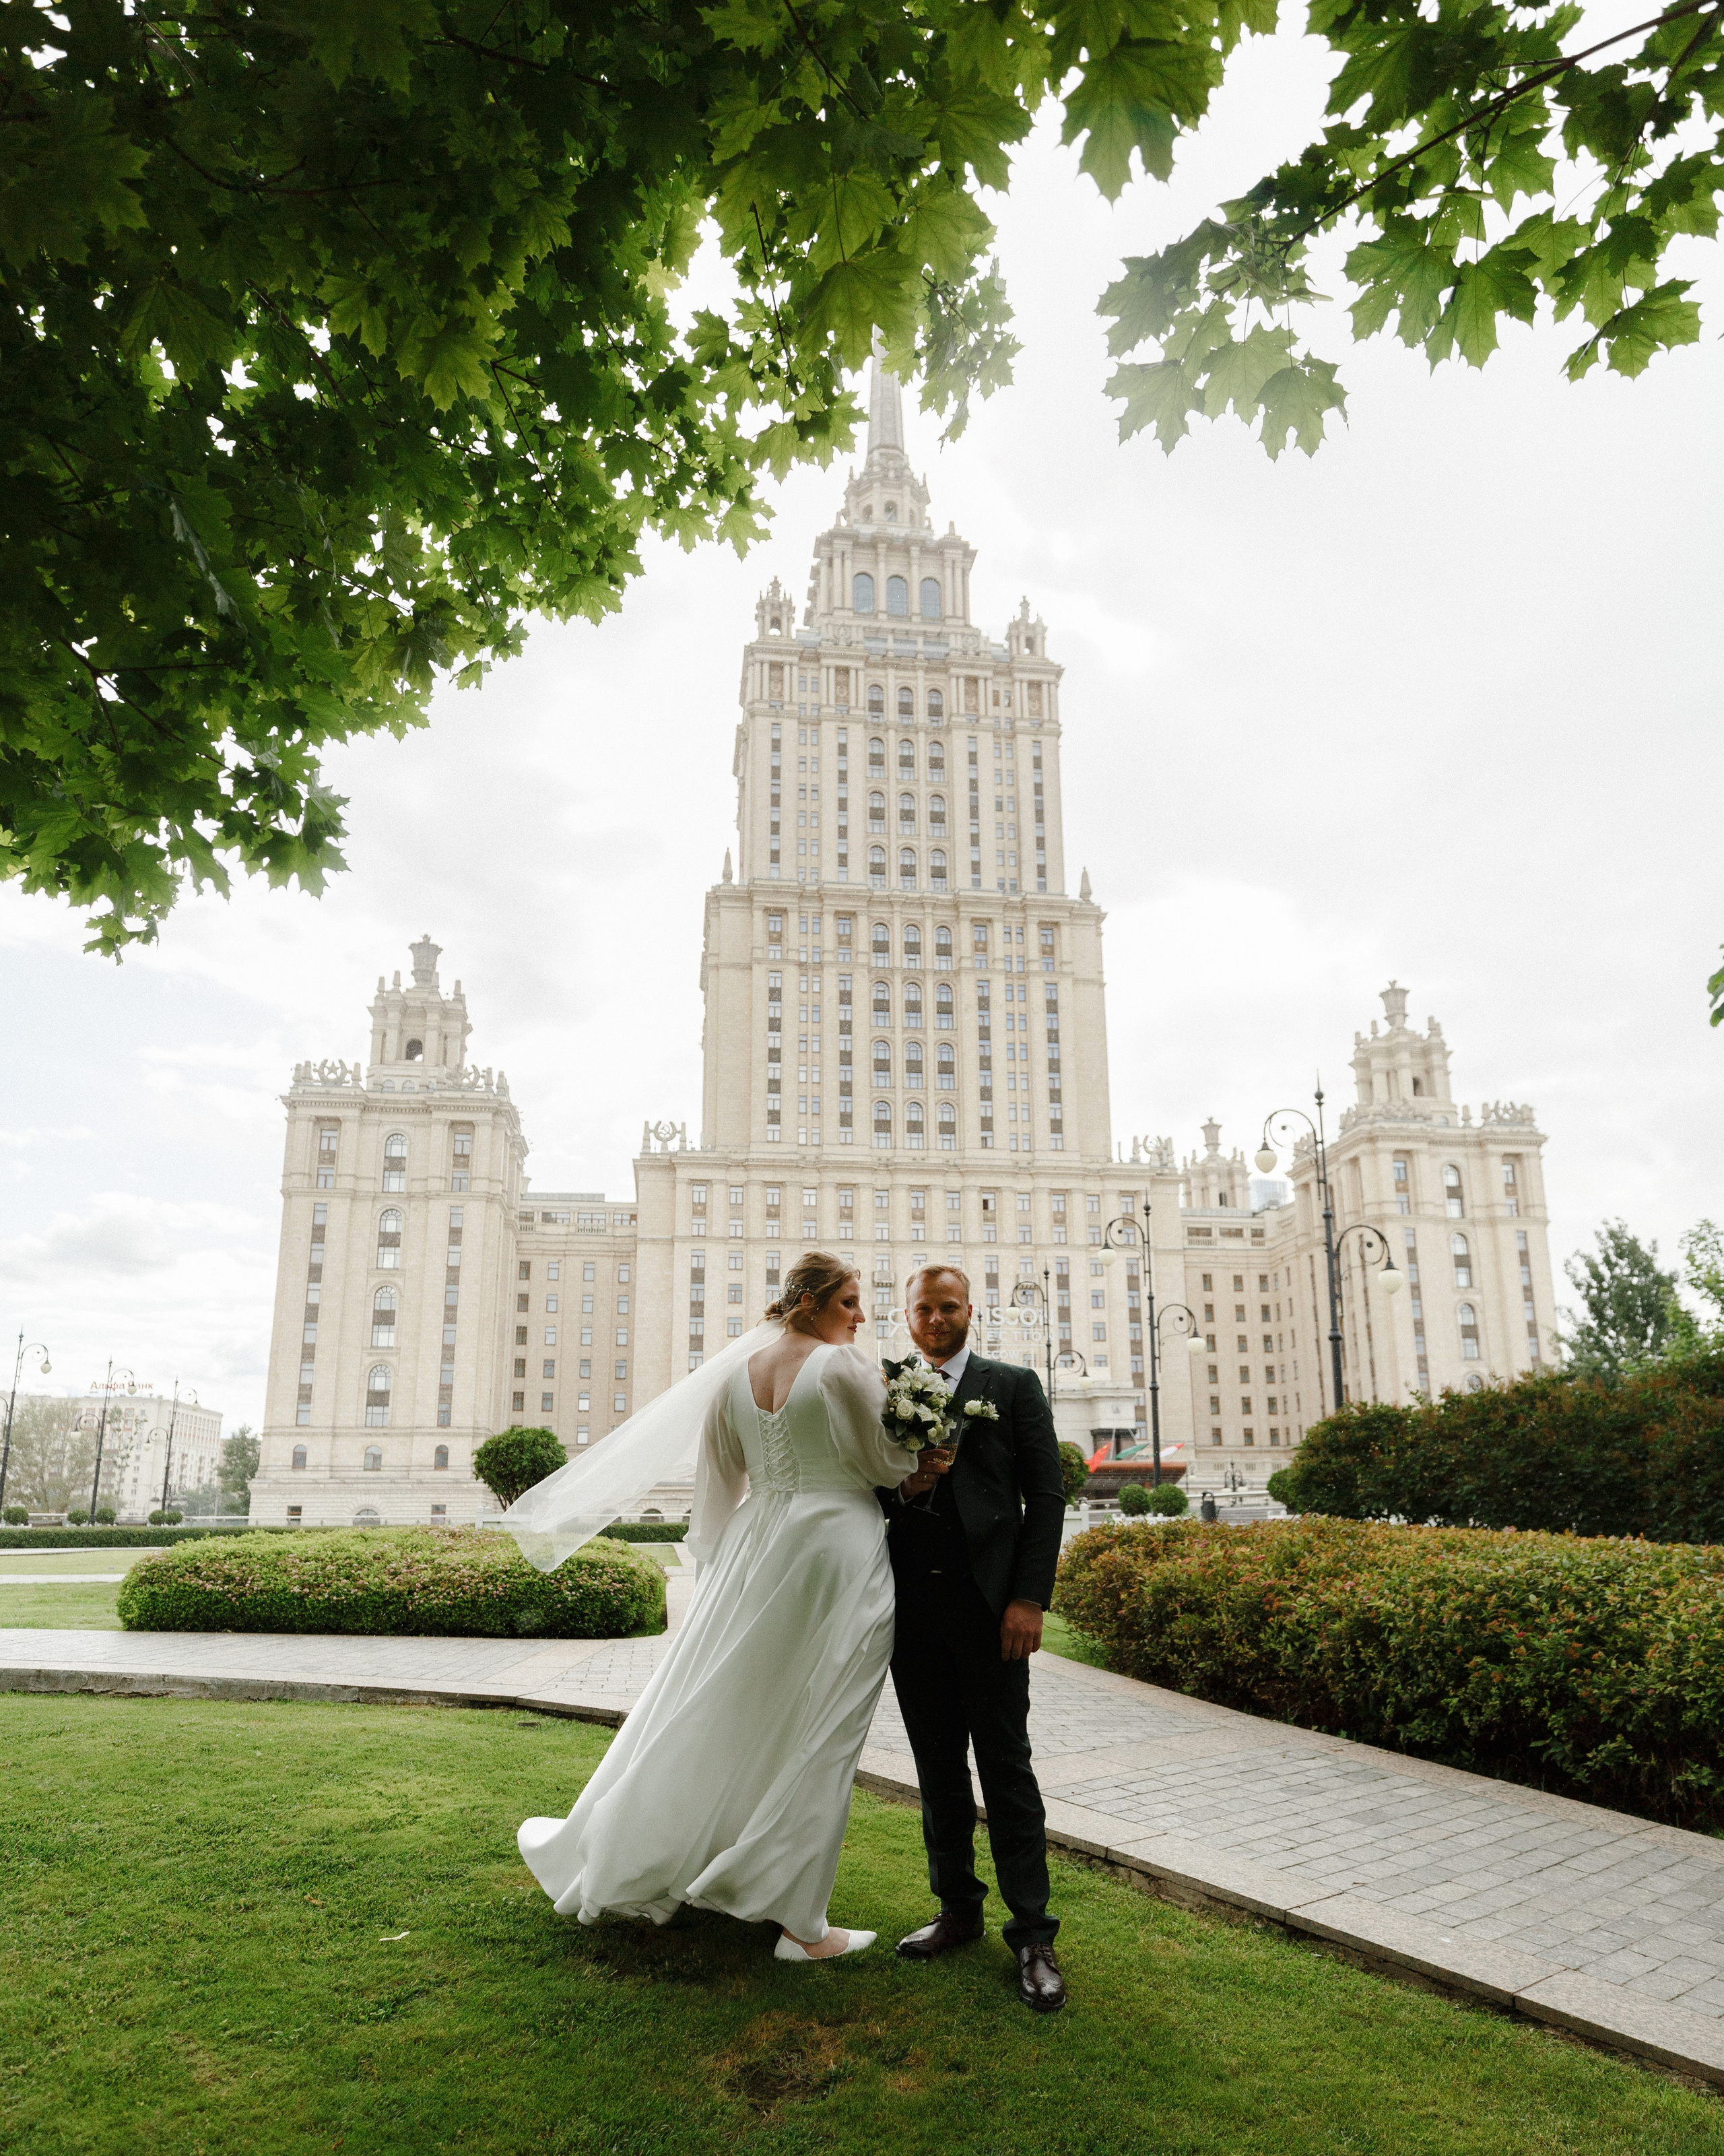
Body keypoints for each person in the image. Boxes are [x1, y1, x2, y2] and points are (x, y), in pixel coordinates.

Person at [504, 1253, 919, 1961]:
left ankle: (675, 1854)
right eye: (849, 1301)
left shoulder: (732, 1379)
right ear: (812, 1303)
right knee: (825, 1721)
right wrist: (923, 1452)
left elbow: (718, 1489)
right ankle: (800, 1925)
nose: (859, 1315)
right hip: (836, 1549)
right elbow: (886, 1467)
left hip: (758, 1546)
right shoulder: (845, 1367)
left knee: (726, 1704)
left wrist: (730, 1567)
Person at [883, 1264, 1069, 2012]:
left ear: (970, 1311)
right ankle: (956, 1909)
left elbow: (1047, 1495)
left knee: (1006, 1769)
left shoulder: (1013, 1385)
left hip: (994, 1613)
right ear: (908, 1315)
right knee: (936, 1769)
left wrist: (1029, 1599)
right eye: (923, 1308)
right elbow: (863, 1488)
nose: (935, 1319)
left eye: (948, 1307)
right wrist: (907, 1485)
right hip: (911, 1614)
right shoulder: (884, 1388)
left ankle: (1033, 1935)